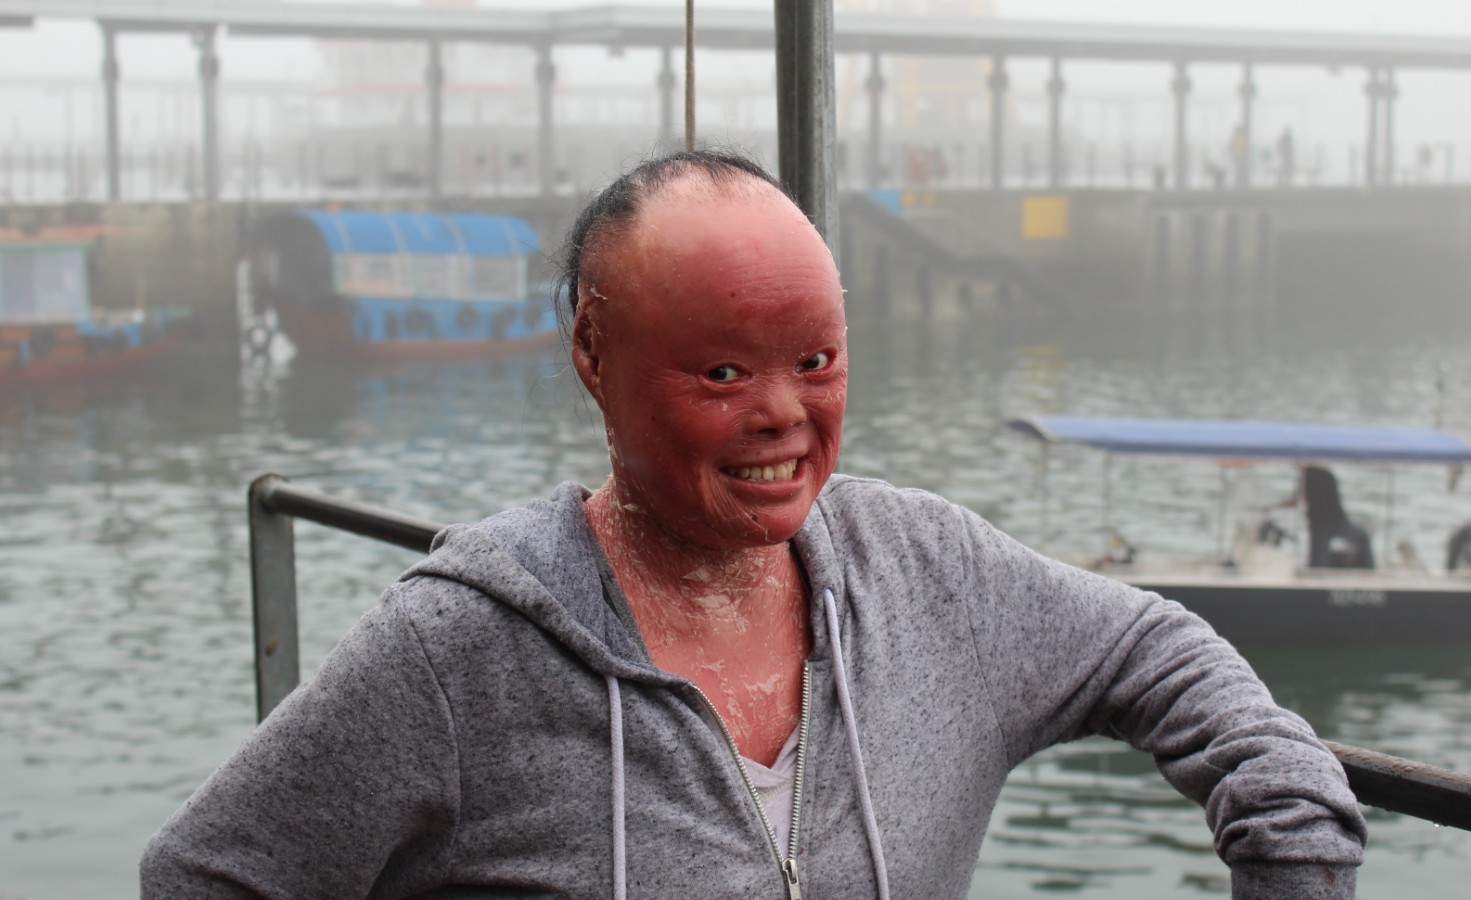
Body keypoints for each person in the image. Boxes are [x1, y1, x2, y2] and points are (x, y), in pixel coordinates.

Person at [141, 150, 1365, 898]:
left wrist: (1290, 838)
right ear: (591, 352)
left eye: (817, 359)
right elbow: (207, 877)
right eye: (720, 374)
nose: (784, 415)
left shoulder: (928, 573)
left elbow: (1159, 655)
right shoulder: (461, 652)